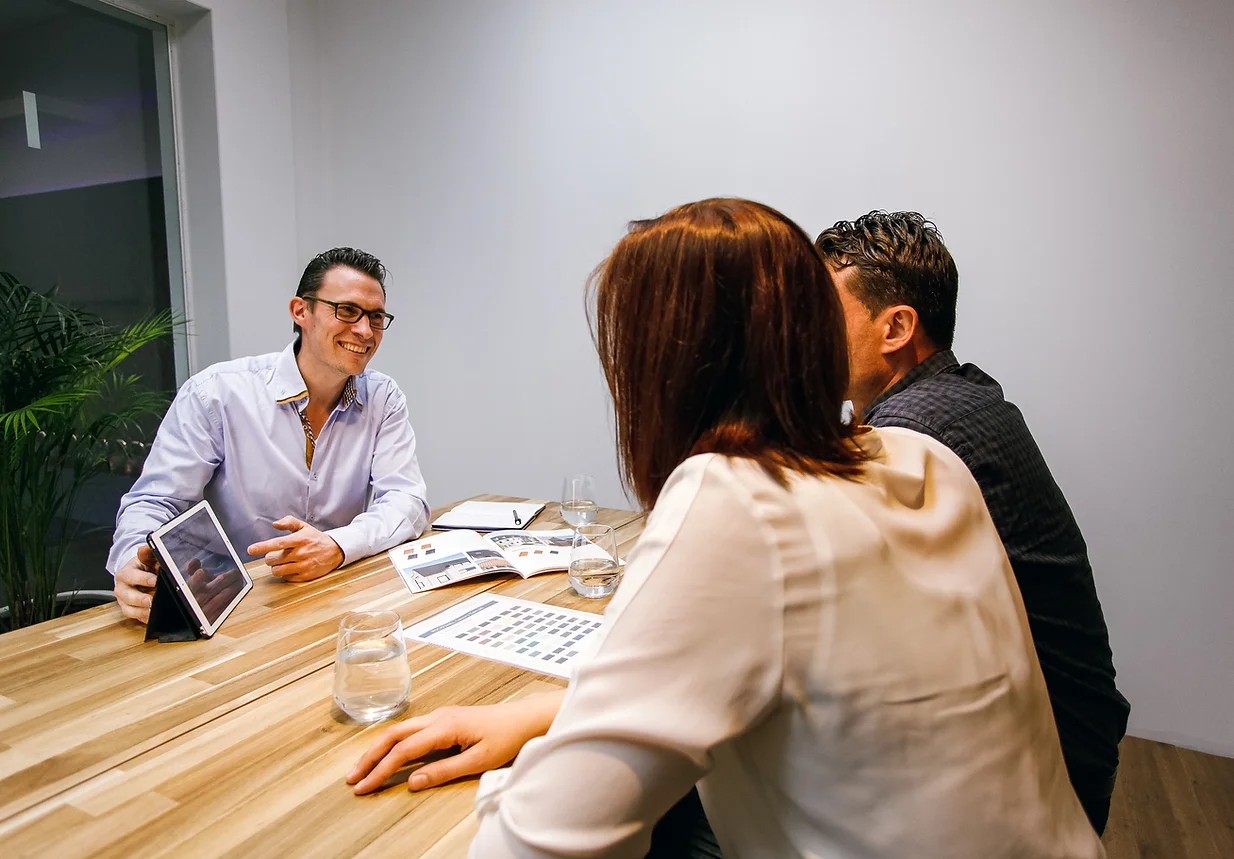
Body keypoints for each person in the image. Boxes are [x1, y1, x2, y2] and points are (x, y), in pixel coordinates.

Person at [347, 200, 1103, 858]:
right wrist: (566, 715)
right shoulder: (923, 453)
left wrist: (537, 764)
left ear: (665, 366)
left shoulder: (737, 493)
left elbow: (539, 843)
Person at [816, 210, 1130, 834]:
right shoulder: (963, 394)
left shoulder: (911, 436)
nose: (804, 336)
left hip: (1036, 779)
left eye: (823, 315)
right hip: (1073, 738)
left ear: (896, 327)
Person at [108, 247, 430, 623]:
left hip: (330, 595)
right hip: (224, 606)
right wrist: (134, 563)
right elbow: (155, 502)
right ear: (300, 311)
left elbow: (407, 501)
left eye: (376, 317)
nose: (364, 331)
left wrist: (337, 546)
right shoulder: (216, 394)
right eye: (346, 311)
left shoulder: (383, 398)